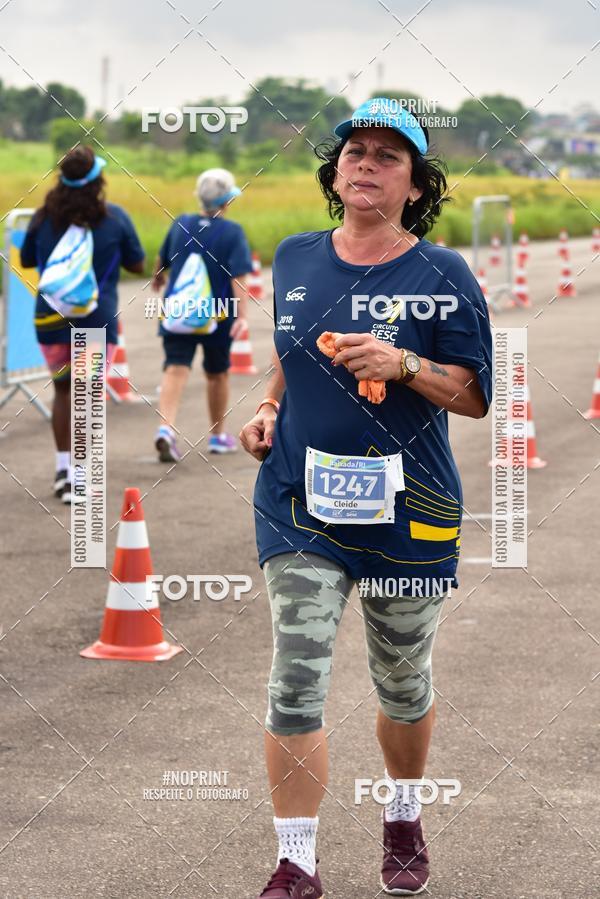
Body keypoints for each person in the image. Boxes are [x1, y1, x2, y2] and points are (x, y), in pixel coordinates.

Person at [239, 97, 493, 897]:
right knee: (294, 677)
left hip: (409, 511)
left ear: (416, 186)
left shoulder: (442, 273)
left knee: (403, 682)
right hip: (298, 503)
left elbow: (476, 394)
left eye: (388, 155)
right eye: (355, 150)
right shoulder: (295, 256)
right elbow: (291, 351)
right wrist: (269, 405)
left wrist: (405, 364)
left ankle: (405, 811)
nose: (365, 163)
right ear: (336, 169)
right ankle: (297, 859)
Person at [20, 145, 145, 503]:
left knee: (62, 392)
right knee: (88, 396)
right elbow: (137, 264)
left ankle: (63, 472)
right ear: (97, 180)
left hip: (49, 318)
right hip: (95, 320)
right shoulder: (115, 218)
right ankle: (79, 477)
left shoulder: (43, 217)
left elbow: (28, 259)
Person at [151, 168, 253, 461]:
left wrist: (158, 278)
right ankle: (219, 435)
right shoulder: (232, 232)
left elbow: (162, 260)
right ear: (227, 200)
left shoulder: (181, 223)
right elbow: (238, 277)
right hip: (218, 315)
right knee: (217, 374)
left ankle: (166, 429)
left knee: (174, 368)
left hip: (177, 312)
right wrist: (241, 315)